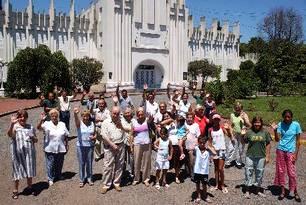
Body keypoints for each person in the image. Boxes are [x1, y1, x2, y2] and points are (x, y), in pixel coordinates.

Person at [272, 109, 302, 202]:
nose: (287, 118)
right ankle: (283, 191)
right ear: (283, 117)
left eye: (289, 117)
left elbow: (298, 141)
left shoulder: (296, 125)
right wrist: (275, 130)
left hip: (290, 152)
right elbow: (277, 140)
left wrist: (296, 154)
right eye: (285, 117)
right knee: (281, 171)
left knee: (291, 173)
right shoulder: (280, 124)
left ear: (292, 117)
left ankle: (295, 192)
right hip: (280, 150)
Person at [7, 110, 38, 199]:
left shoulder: (30, 127)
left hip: (29, 153)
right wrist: (12, 124)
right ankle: (15, 190)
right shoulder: (15, 126)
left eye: (24, 117)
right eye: (20, 116)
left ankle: (29, 187)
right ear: (18, 118)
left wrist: (33, 137)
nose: (22, 118)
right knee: (17, 171)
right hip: (18, 154)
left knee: (29, 169)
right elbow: (10, 135)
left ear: (27, 118)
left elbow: (36, 140)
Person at [37, 109, 69, 186]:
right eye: (52, 116)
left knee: (59, 163)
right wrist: (41, 120)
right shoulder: (47, 123)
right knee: (50, 163)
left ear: (58, 116)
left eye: (56, 116)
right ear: (50, 117)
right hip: (49, 147)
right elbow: (38, 128)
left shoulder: (62, 124)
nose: (54, 117)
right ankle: (50, 178)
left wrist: (67, 144)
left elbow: (66, 135)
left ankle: (58, 175)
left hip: (60, 146)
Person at [242, 116, 271, 199]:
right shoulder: (249, 132)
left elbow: (268, 143)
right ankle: (247, 191)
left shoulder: (265, 132)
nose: (257, 124)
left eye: (258, 122)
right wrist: (242, 135)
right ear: (253, 123)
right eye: (255, 122)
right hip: (250, 156)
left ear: (261, 123)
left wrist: (268, 155)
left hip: (261, 156)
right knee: (248, 172)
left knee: (259, 173)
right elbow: (244, 142)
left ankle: (257, 190)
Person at [100, 106, 126, 194]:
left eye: (117, 113)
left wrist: (122, 126)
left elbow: (127, 130)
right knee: (107, 166)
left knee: (119, 165)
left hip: (121, 145)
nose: (116, 115)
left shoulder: (122, 121)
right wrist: (112, 144)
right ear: (111, 113)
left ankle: (116, 183)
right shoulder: (105, 122)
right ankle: (106, 185)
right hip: (109, 147)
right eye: (114, 113)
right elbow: (104, 135)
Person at [208, 113, 232, 194]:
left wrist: (228, 129)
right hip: (215, 151)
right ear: (213, 120)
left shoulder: (222, 128)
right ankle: (216, 185)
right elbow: (210, 142)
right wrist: (211, 152)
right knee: (216, 168)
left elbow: (229, 136)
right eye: (215, 119)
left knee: (221, 168)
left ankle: (222, 185)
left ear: (219, 120)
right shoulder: (210, 129)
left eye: (218, 119)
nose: (216, 120)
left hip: (222, 150)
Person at [132, 107, 154, 186]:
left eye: (142, 114)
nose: (140, 116)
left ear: (144, 114)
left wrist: (151, 121)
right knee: (137, 162)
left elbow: (153, 127)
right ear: (137, 115)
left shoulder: (147, 121)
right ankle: (136, 178)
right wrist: (131, 145)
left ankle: (146, 179)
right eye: (139, 114)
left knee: (146, 162)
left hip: (146, 144)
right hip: (137, 144)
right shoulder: (134, 122)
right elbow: (132, 133)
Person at [74, 107, 96, 188]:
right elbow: (76, 121)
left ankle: (89, 178)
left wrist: (94, 137)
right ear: (82, 116)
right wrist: (75, 114)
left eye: (87, 116)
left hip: (90, 146)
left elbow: (94, 134)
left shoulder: (92, 123)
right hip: (81, 146)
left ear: (89, 116)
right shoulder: (79, 123)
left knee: (89, 162)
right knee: (82, 163)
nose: (86, 117)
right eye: (84, 116)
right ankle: (82, 179)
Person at [226, 102, 251, 169]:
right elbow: (231, 125)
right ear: (234, 109)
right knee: (231, 147)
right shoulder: (232, 115)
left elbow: (249, 125)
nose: (238, 110)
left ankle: (238, 162)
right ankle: (227, 161)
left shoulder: (244, 115)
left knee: (240, 148)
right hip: (234, 133)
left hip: (242, 134)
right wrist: (231, 135)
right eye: (236, 109)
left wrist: (244, 119)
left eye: (239, 109)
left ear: (241, 109)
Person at [193, 137, 216, 204]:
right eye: (200, 143)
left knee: (204, 184)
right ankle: (199, 197)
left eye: (203, 143)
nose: (202, 144)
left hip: (204, 171)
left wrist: (208, 147)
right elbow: (194, 154)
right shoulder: (196, 149)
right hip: (197, 170)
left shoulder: (208, 150)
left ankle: (205, 196)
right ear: (198, 143)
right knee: (197, 184)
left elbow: (215, 153)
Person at [161, 112, 182, 184]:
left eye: (168, 116)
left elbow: (175, 120)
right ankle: (164, 177)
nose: (167, 117)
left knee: (177, 162)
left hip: (176, 145)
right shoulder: (164, 126)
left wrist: (172, 120)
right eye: (165, 116)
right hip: (168, 146)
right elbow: (161, 123)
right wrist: (169, 120)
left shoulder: (174, 123)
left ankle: (177, 177)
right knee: (167, 162)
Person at [183, 112, 201, 179]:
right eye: (188, 117)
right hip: (184, 147)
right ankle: (187, 173)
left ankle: (193, 175)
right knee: (186, 161)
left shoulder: (196, 125)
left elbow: (198, 136)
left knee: (192, 162)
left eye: (191, 118)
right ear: (186, 118)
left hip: (192, 147)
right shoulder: (184, 125)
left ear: (193, 118)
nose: (189, 119)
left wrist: (196, 145)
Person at [121, 107, 134, 179]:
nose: (127, 114)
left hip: (131, 142)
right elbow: (121, 127)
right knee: (123, 157)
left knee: (131, 158)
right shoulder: (122, 120)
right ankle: (122, 172)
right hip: (123, 141)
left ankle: (131, 171)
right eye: (126, 113)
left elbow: (134, 129)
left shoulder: (133, 120)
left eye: (128, 113)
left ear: (131, 113)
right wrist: (130, 129)